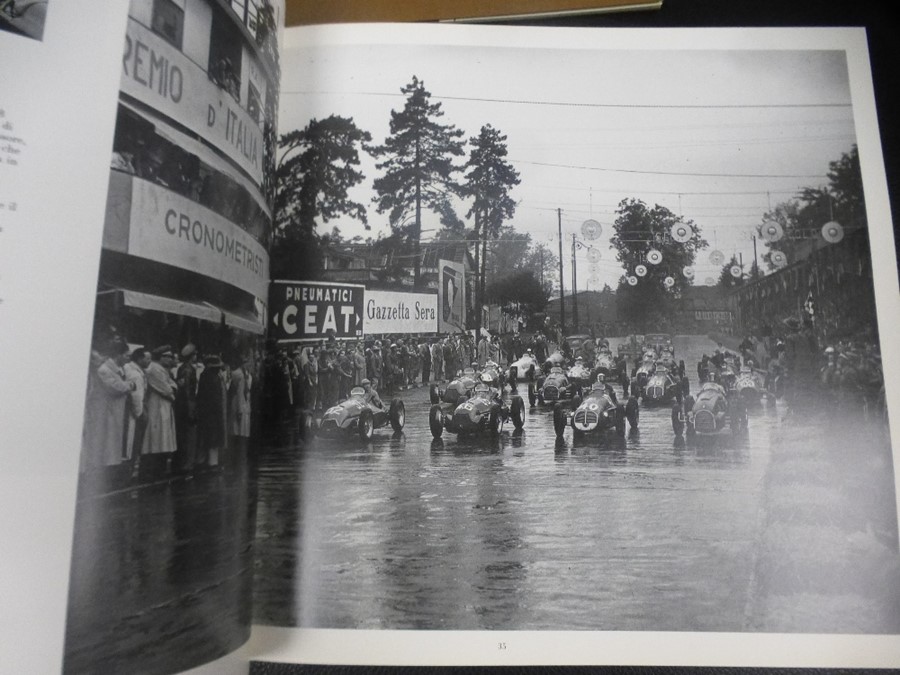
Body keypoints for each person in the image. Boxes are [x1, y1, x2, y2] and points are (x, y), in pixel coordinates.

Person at [141, 345, 178, 480]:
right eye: (166, 356)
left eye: (170, 356)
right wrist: (173, 391)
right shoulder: (154, 370)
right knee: (156, 439)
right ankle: (152, 472)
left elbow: (173, 385)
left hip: (163, 405)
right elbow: (167, 389)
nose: (169, 359)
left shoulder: (162, 370)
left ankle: (158, 471)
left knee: (162, 438)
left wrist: (172, 388)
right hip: (156, 405)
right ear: (160, 357)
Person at [229, 354, 253, 468]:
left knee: (242, 429)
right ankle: (238, 456)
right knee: (239, 429)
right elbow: (239, 393)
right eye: (247, 362)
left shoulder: (247, 374)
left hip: (245, 403)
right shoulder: (239, 375)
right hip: (240, 403)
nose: (249, 364)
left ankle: (240, 455)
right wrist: (239, 409)